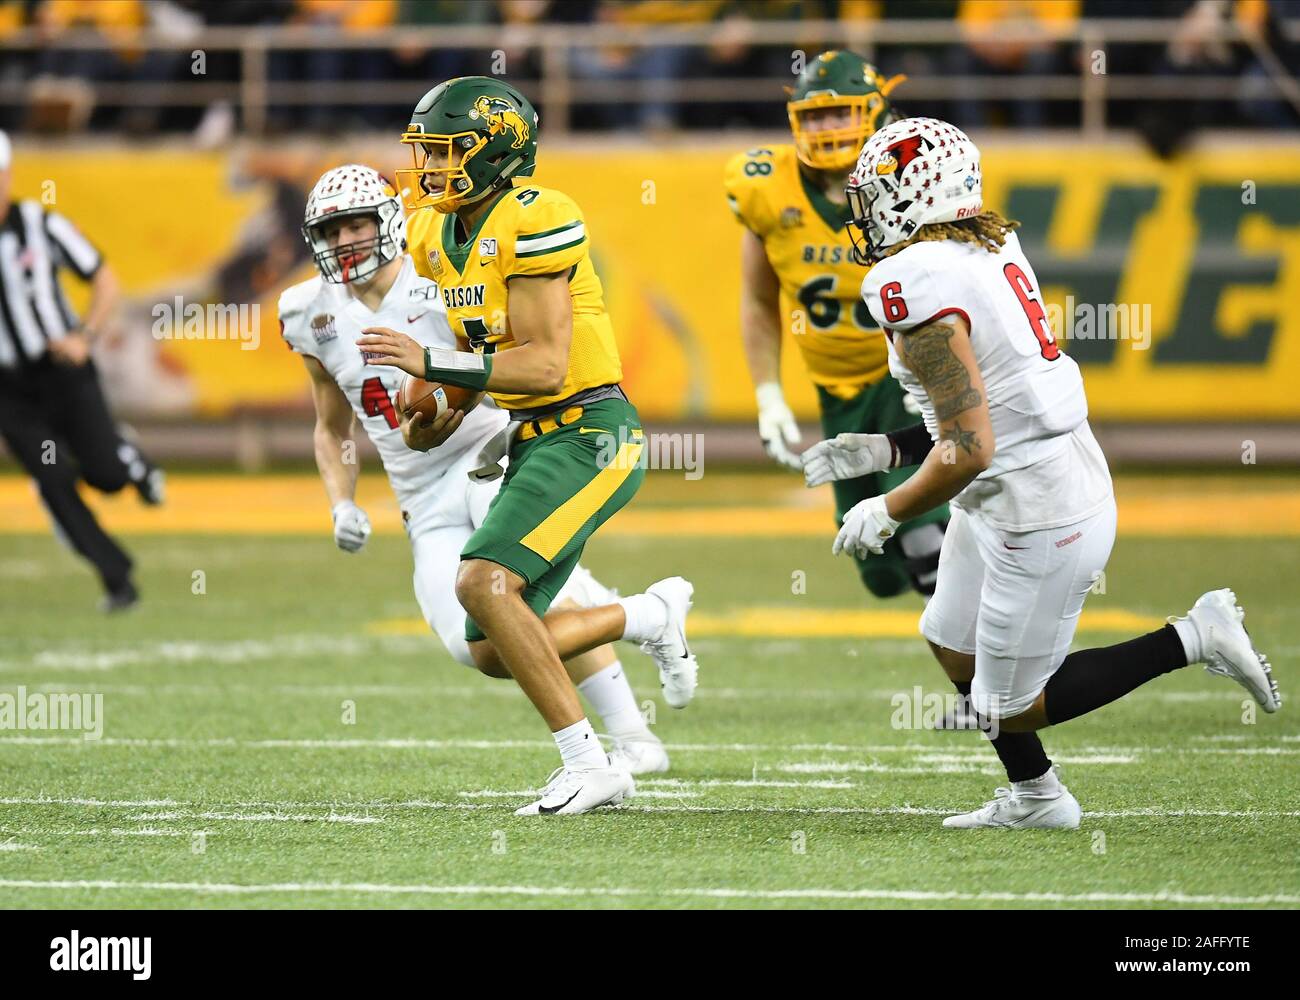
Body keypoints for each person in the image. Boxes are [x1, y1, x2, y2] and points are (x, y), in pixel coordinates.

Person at [802, 117, 1280, 829]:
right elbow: (983, 410)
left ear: (915, 193)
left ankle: (1195, 636)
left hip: (1041, 506)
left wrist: (889, 508)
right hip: (1013, 485)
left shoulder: (913, 279)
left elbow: (971, 445)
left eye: (876, 195)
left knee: (1011, 703)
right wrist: (886, 452)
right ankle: (1037, 798)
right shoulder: (979, 245)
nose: (863, 212)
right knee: (948, 638)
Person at [358, 78, 701, 816]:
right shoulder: (432, 232)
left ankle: (592, 763)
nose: (429, 167)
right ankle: (647, 616)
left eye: (446, 153)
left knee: (481, 582)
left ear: (495, 154)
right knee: (487, 646)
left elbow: (544, 364)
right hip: (534, 440)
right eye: (424, 151)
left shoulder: (537, 215)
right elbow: (479, 348)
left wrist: (431, 369)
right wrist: (442, 409)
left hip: (591, 432)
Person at [281, 164, 670, 777]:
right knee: (476, 649)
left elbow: (511, 358)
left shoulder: (439, 276)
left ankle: (631, 736)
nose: (344, 242)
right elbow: (333, 428)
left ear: (386, 220)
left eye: (355, 224)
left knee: (518, 596)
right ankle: (643, 616)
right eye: (329, 231)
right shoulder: (307, 312)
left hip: (489, 454)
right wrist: (342, 502)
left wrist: (442, 397)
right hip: (419, 493)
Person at [724, 51, 947, 601]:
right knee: (877, 569)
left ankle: (985, 665)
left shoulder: (907, 176)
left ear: (877, 112)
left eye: (841, 113)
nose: (827, 128)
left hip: (905, 374)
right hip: (835, 390)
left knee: (923, 534)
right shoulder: (765, 186)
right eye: (816, 116)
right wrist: (769, 394)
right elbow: (758, 300)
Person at [0, 129, 163, 611]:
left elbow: (104, 278)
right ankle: (117, 578)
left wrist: (85, 336)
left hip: (62, 371)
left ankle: (127, 457)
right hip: (8, 389)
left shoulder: (39, 224)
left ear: (7, 177)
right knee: (53, 482)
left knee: (106, 475)